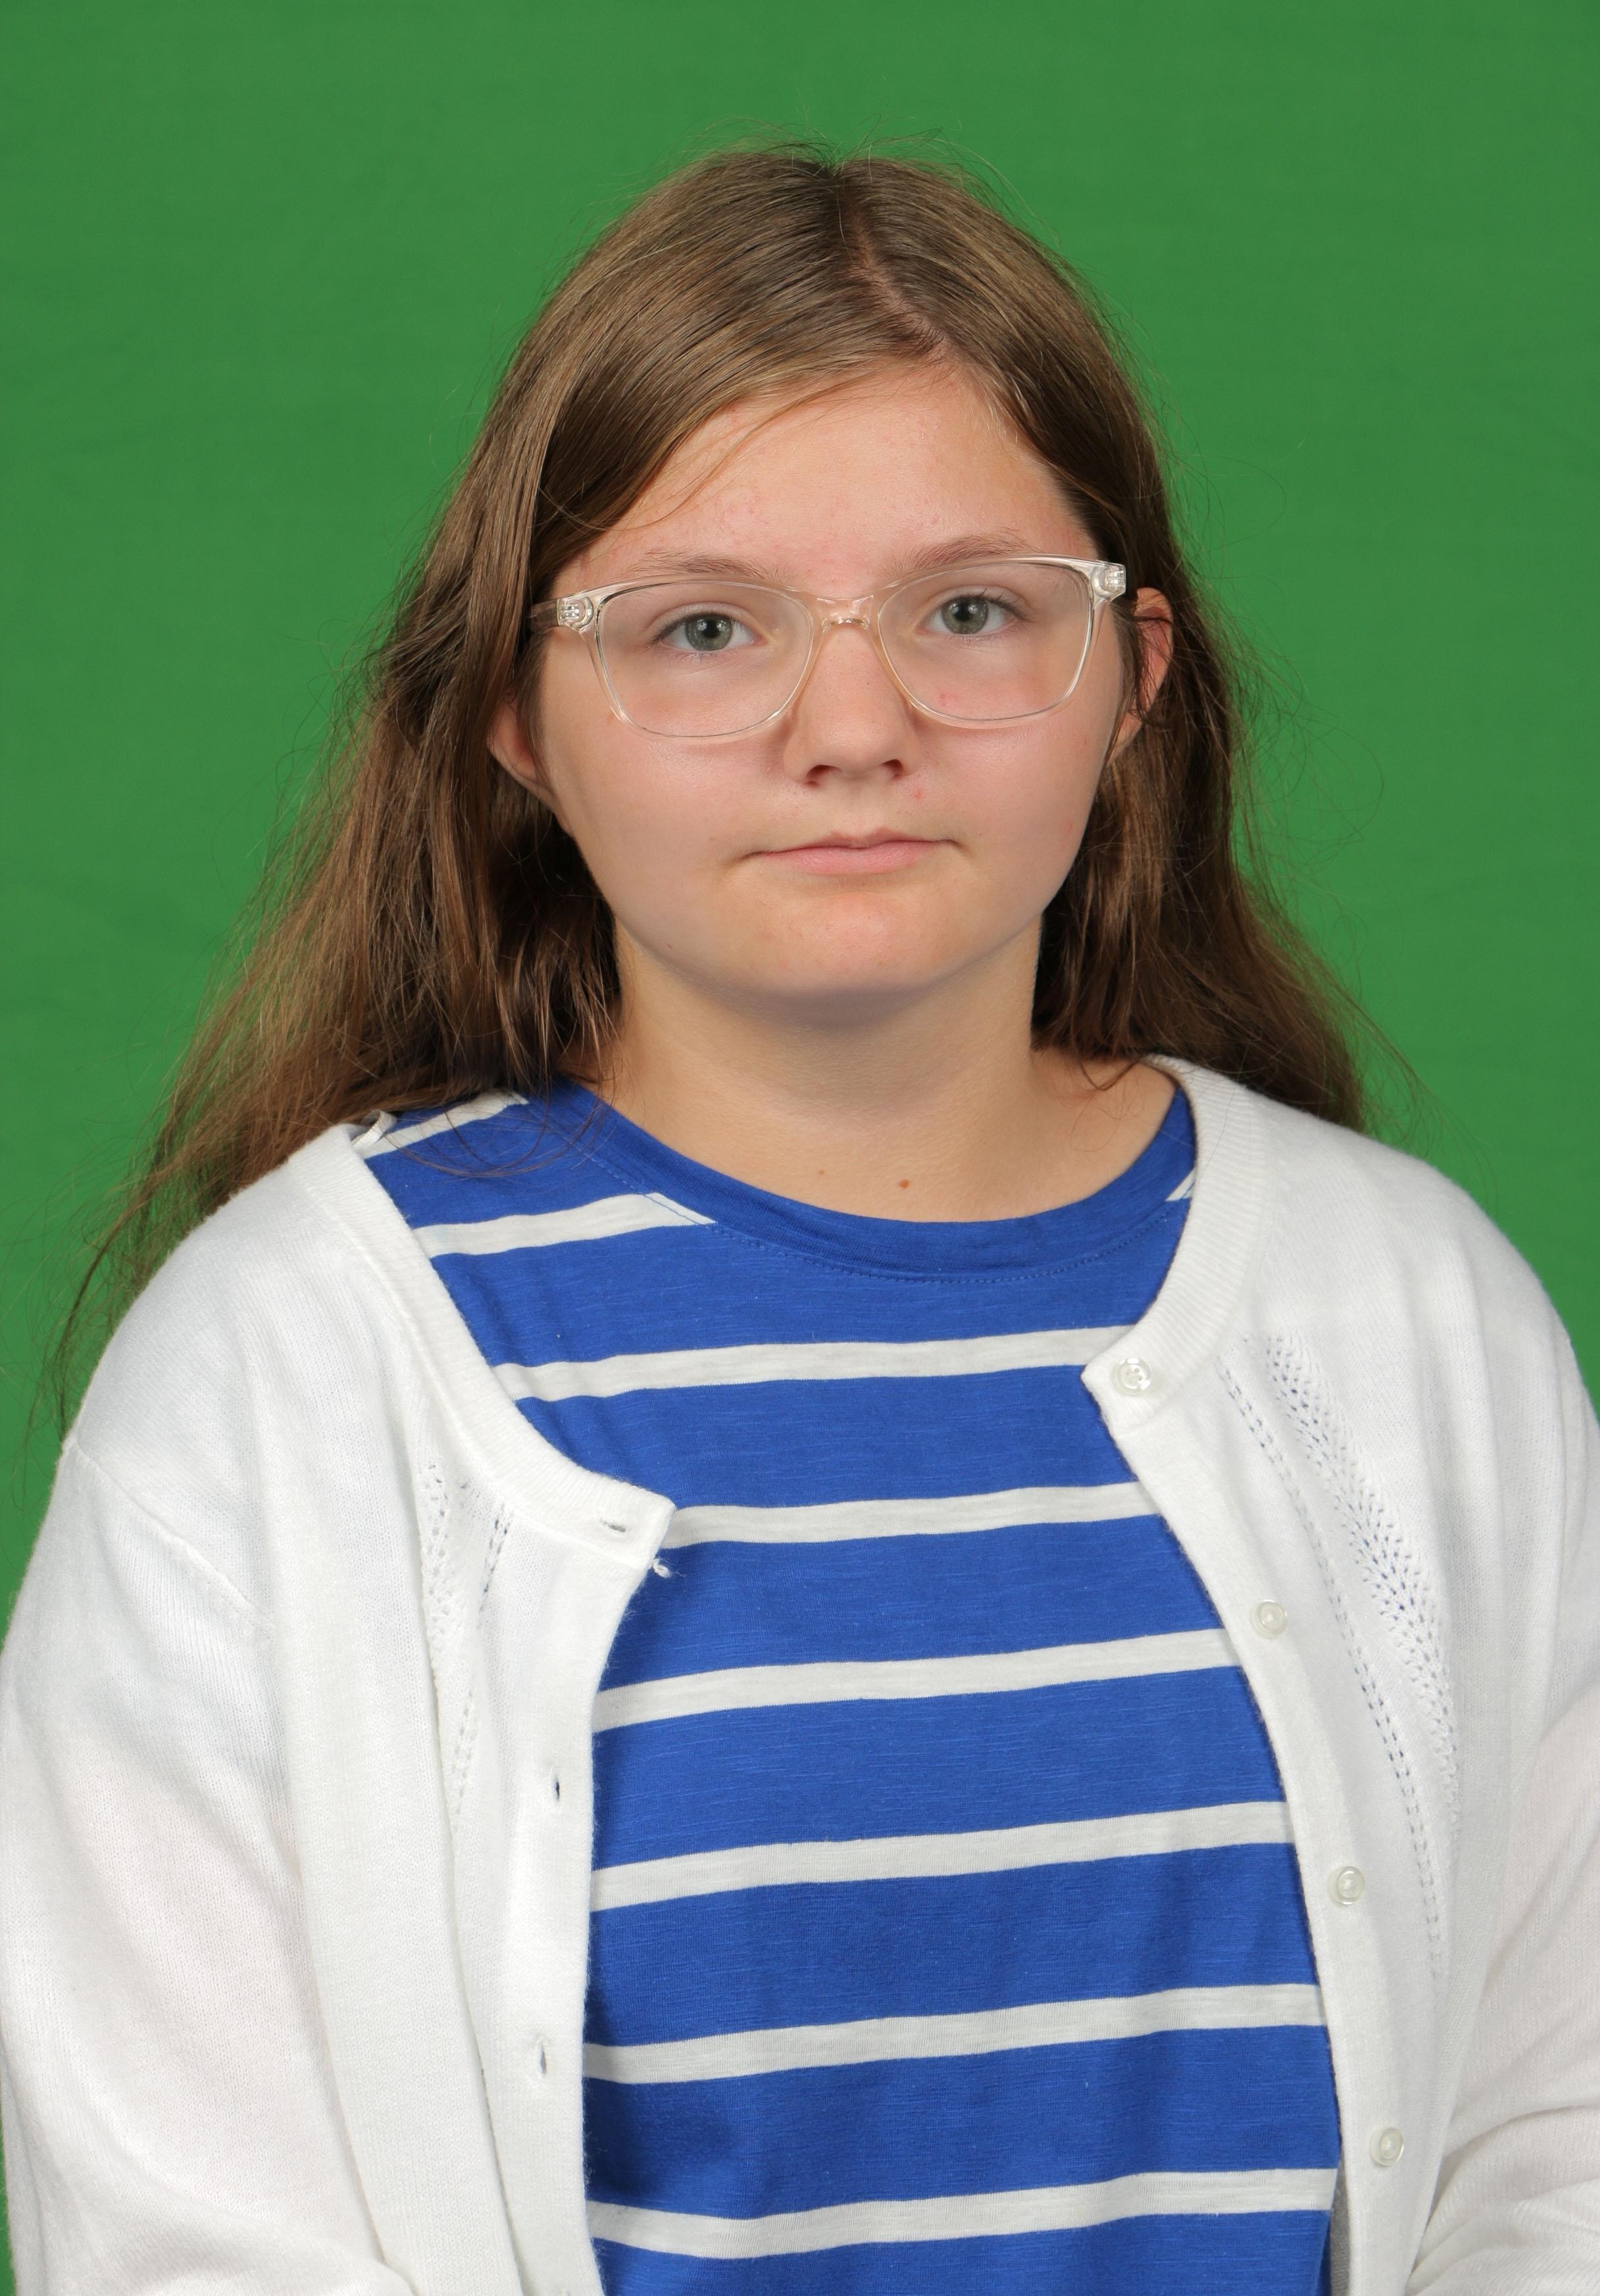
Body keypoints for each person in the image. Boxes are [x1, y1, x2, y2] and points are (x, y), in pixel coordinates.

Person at [0, 144, 1595, 2296]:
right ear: (513, 716)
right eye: (701, 629)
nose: (853, 729)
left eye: (972, 612)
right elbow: (189, 2241)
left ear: (1131, 676)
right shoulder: (281, 1378)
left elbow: (1557, 2128)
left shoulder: (1413, 1318)